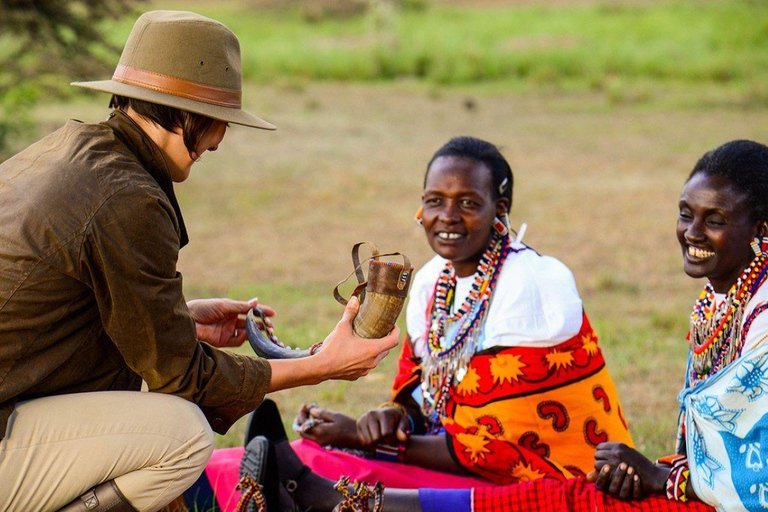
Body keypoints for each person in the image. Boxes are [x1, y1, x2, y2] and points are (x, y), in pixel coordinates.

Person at [0, 10, 397, 512]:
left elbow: (46, 304)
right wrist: (320, 366)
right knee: (182, 436)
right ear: (184, 112)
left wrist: (178, 317)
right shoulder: (126, 196)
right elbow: (184, 379)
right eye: (219, 122)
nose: (220, 140)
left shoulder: (69, 151)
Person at [250, 140, 768, 512]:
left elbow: (509, 446)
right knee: (336, 452)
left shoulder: (534, 288)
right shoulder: (433, 280)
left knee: (549, 500)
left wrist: (663, 475)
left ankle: (336, 501)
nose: (692, 233)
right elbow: (419, 389)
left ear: (501, 210)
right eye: (435, 201)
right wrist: (390, 415)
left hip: (552, 468)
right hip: (665, 479)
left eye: (714, 220)